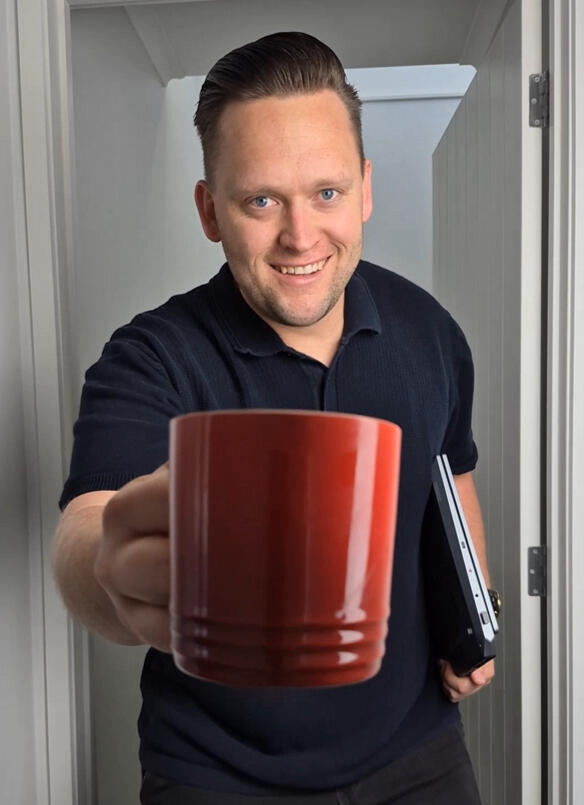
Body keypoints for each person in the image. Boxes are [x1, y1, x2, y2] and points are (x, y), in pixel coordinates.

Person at [53, 31, 496, 805]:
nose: (300, 236)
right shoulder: (151, 356)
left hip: (418, 751)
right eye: (261, 200)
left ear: (365, 189)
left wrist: (473, 615)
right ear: (210, 210)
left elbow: (450, 474)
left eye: (326, 193)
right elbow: (87, 528)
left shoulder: (430, 330)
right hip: (218, 773)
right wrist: (118, 569)